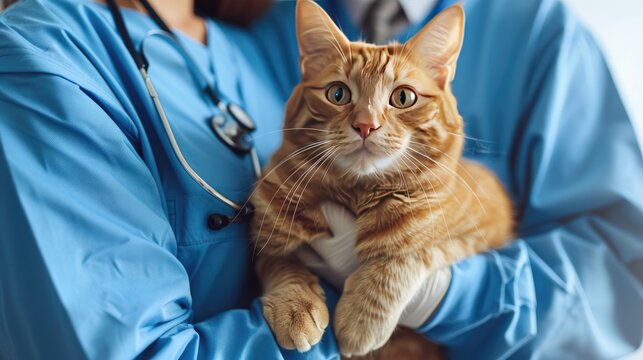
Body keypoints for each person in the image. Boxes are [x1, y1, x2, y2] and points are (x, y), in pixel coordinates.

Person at [0, 0, 641, 358]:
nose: (365, 120)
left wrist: (440, 292)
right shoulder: (275, 30)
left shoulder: (538, 29)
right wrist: (319, 292)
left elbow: (623, 279)